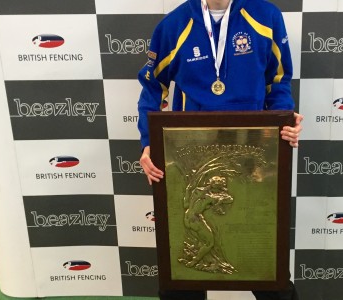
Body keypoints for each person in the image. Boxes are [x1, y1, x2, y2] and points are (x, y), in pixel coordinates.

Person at [137, 0, 302, 299]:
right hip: (189, 161)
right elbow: (152, 87)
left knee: (267, 268)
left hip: (251, 161)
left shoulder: (265, 17)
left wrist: (284, 119)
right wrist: (149, 142)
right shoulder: (174, 25)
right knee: (181, 278)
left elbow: (278, 81)